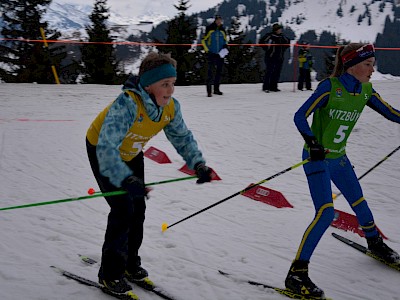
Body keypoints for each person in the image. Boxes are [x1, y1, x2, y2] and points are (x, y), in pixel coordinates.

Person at [86, 52, 213, 297]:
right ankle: (110, 274)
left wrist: (198, 164)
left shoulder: (170, 108)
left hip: (132, 152)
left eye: (173, 83)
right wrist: (124, 179)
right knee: (123, 209)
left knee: (138, 209)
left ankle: (130, 265)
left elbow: (182, 137)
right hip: (103, 150)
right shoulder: (129, 103)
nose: (171, 90)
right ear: (148, 85)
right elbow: (106, 146)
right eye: (165, 84)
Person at [286, 43, 400, 298]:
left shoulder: (366, 91)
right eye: (368, 64)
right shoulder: (330, 87)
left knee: (359, 202)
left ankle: (375, 244)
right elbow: (300, 115)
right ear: (352, 65)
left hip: (339, 158)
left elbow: (392, 113)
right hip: (317, 158)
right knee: (326, 214)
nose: (372, 70)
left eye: (373, 64)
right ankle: (297, 273)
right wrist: (312, 142)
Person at [201, 15, 228, 97]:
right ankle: (209, 91)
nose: (219, 22)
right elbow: (203, 40)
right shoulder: (210, 29)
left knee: (219, 72)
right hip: (211, 53)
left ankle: (216, 89)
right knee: (210, 72)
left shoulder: (223, 30)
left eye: (220, 20)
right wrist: (207, 50)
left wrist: (225, 46)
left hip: (220, 54)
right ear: (215, 21)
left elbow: (225, 40)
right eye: (218, 20)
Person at [259, 23, 290, 93]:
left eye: (280, 29)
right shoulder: (270, 36)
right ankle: (266, 87)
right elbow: (261, 42)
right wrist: (267, 48)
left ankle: (274, 87)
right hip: (270, 57)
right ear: (275, 30)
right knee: (269, 72)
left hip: (280, 57)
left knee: (277, 72)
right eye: (279, 29)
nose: (280, 30)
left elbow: (287, 43)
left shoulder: (282, 37)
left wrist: (284, 48)